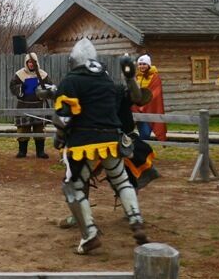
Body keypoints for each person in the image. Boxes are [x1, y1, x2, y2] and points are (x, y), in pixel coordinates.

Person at [51, 38, 149, 255]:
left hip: (83, 142)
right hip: (112, 140)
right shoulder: (106, 81)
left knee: (72, 186)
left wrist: (58, 138)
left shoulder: (72, 80)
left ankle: (89, 235)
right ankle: (136, 219)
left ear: (74, 60)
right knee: (121, 180)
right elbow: (125, 102)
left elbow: (64, 118)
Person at [9, 52, 56, 158]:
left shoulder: (43, 75)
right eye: (29, 62)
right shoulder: (19, 75)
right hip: (24, 106)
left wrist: (43, 90)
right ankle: (22, 151)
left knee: (39, 129)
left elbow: (51, 87)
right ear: (26, 63)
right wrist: (22, 87)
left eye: (33, 62)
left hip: (39, 105)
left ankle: (40, 152)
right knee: (22, 130)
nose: (31, 64)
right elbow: (12, 86)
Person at [132, 54, 167, 141]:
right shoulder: (137, 77)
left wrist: (143, 105)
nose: (142, 66)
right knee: (142, 133)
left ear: (148, 65)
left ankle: (140, 149)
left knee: (145, 134)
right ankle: (140, 150)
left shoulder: (155, 77)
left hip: (150, 109)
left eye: (144, 64)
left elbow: (155, 94)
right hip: (137, 109)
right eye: (140, 64)